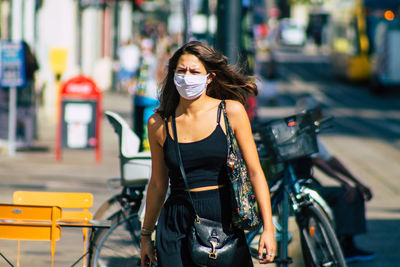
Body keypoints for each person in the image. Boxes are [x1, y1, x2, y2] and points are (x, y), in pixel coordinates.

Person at [140, 41, 276, 267]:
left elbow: (255, 172)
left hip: (222, 221)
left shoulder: (230, 111)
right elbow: (157, 184)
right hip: (175, 223)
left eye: (194, 71)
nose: (187, 77)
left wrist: (268, 229)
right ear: (173, 74)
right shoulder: (158, 123)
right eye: (181, 71)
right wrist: (145, 236)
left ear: (209, 77)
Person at [295, 96, 376, 263]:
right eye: (319, 111)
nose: (322, 114)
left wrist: (357, 182)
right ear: (311, 113)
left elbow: (330, 159)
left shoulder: (303, 129)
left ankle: (342, 242)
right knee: (344, 195)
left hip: (303, 185)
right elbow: (318, 161)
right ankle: (346, 247)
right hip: (299, 189)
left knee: (351, 191)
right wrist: (345, 183)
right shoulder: (301, 131)